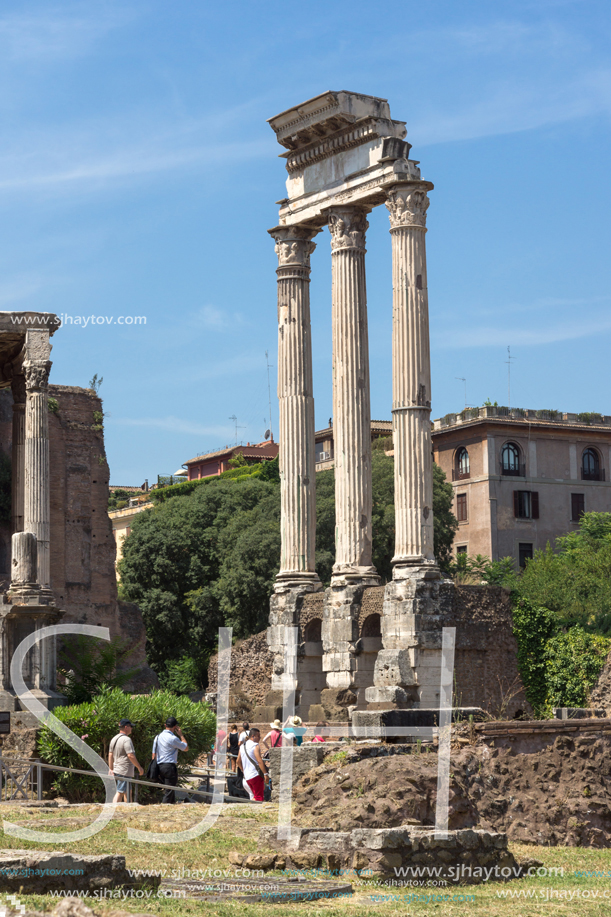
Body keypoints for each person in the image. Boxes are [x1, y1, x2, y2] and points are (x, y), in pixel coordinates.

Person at [152, 716, 188, 804]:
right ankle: (164, 807)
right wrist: (181, 735)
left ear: (165, 725)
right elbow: (186, 748)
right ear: (175, 727)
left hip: (159, 765)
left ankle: (171, 805)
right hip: (169, 766)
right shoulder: (173, 738)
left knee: (170, 789)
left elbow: (153, 754)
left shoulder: (157, 737)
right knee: (169, 790)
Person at [108, 719, 144, 804]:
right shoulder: (126, 739)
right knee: (120, 791)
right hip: (124, 769)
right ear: (126, 727)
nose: (131, 728)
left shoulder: (114, 738)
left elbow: (110, 754)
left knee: (128, 791)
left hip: (118, 768)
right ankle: (112, 809)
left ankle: (129, 809)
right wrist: (139, 767)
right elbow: (130, 755)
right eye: (130, 726)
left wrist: (111, 768)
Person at [236, 727, 268, 802]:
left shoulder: (242, 746)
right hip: (255, 775)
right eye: (258, 736)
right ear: (253, 736)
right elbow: (259, 761)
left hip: (247, 777)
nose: (259, 738)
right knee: (259, 798)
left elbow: (238, 761)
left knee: (254, 796)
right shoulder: (255, 745)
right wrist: (265, 774)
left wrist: (243, 770)